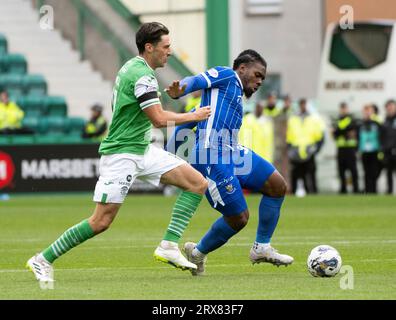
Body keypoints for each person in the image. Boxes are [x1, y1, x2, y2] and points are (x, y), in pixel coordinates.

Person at [26, 22, 212, 284]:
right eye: (166, 46)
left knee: (196, 183)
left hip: (142, 149)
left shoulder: (133, 67)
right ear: (150, 47)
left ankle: (169, 245)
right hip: (122, 153)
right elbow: (158, 119)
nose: (170, 52)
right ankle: (42, 259)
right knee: (101, 221)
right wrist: (193, 115)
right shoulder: (142, 75)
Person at [165, 49, 293, 276]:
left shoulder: (228, 98)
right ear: (242, 68)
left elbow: (192, 117)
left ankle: (261, 247)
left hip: (233, 151)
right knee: (239, 218)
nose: (260, 81)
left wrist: (173, 144)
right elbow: (195, 80)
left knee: (277, 186)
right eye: (258, 74)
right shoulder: (226, 75)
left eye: (263, 78)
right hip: (210, 156)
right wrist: (179, 91)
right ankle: (198, 253)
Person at [286, 98, 325, 194]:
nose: (303, 106)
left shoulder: (314, 119)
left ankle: (313, 196)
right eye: (301, 104)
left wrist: (315, 150)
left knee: (310, 177)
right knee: (295, 177)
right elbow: (289, 136)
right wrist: (290, 149)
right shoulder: (293, 118)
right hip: (296, 152)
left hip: (309, 151)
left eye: (304, 104)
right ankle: (294, 197)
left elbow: (320, 136)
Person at [332, 102, 359, 194]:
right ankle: (343, 190)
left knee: (353, 171)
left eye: (345, 108)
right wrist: (345, 132)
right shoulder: (337, 120)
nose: (343, 110)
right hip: (341, 149)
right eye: (342, 108)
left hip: (350, 149)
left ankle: (356, 190)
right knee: (341, 171)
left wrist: (340, 131)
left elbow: (352, 130)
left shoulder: (351, 119)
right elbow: (336, 133)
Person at [358, 104, 382, 194]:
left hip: (375, 151)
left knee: (374, 173)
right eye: (365, 111)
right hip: (364, 151)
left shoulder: (377, 123)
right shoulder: (360, 124)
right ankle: (367, 191)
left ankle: (373, 191)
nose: (367, 113)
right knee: (366, 173)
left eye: (369, 111)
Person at [381, 99, 396, 194]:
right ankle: (389, 192)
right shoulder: (385, 121)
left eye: (392, 106)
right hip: (387, 151)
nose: (390, 108)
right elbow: (382, 137)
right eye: (388, 107)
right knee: (388, 173)